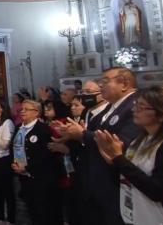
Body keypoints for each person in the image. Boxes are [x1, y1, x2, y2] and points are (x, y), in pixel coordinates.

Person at [94, 86, 163, 225]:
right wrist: (114, 161)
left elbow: (157, 190)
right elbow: (132, 177)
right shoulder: (140, 140)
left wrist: (119, 159)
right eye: (136, 104)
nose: (134, 110)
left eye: (142, 107)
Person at [56, 67, 141, 225]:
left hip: (116, 183)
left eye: (105, 81)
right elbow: (91, 133)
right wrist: (72, 133)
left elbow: (119, 143)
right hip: (98, 181)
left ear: (124, 83)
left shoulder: (135, 106)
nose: (101, 85)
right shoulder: (110, 107)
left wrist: (82, 134)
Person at [12, 100, 62, 225]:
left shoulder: (43, 130)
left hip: (41, 178)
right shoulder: (19, 128)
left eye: (26, 109)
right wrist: (14, 163)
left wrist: (27, 168)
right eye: (21, 109)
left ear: (36, 113)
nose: (22, 112)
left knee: (44, 211)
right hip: (24, 176)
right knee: (31, 209)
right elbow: (14, 147)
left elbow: (46, 155)